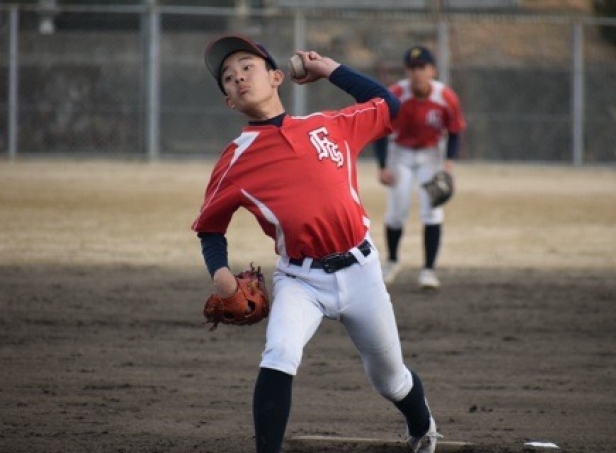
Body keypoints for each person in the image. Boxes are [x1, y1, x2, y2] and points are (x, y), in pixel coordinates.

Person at [192, 34, 440, 453]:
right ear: (229, 102)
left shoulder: (328, 125)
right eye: (229, 79)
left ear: (276, 77)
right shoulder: (235, 159)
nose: (239, 78)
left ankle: (423, 428)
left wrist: (330, 69)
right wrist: (220, 274)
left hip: (362, 271)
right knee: (280, 352)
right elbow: (210, 227)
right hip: (300, 279)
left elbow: (389, 107)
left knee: (390, 379)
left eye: (247, 68)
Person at [374, 45, 466, 290]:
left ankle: (428, 270)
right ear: (406, 71)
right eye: (412, 68)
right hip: (400, 153)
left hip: (431, 154)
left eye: (422, 67)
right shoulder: (396, 95)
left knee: (432, 212)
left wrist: (448, 162)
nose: (417, 73)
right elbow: (379, 130)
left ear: (433, 70)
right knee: (396, 212)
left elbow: (455, 131)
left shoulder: (445, 96)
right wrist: (383, 165)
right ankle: (393, 261)